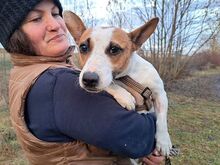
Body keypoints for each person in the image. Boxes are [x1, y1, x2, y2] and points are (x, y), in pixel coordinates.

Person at [0, 0, 165, 164]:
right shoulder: (56, 83)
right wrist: (150, 113)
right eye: (36, 18)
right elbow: (137, 139)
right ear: (15, 35)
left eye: (56, 14)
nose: (56, 25)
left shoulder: (24, 71)